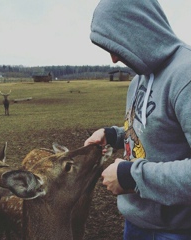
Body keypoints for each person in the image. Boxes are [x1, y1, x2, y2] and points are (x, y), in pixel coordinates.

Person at [84, 0, 191, 239]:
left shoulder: (186, 76)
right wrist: (112, 134)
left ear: (136, 28)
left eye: (115, 44)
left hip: (176, 231)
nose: (113, 59)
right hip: (135, 224)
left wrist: (130, 177)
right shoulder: (138, 81)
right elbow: (152, 130)